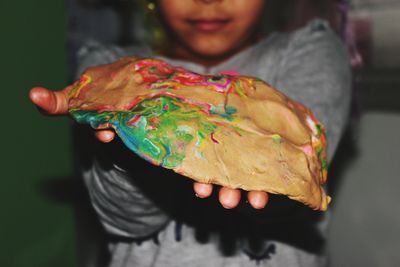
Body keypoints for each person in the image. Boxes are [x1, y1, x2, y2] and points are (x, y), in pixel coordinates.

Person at [30, 0, 352, 266]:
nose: (207, 2)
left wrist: (279, 190)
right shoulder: (112, 76)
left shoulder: (310, 49)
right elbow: (126, 221)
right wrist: (131, 154)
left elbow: (303, 177)